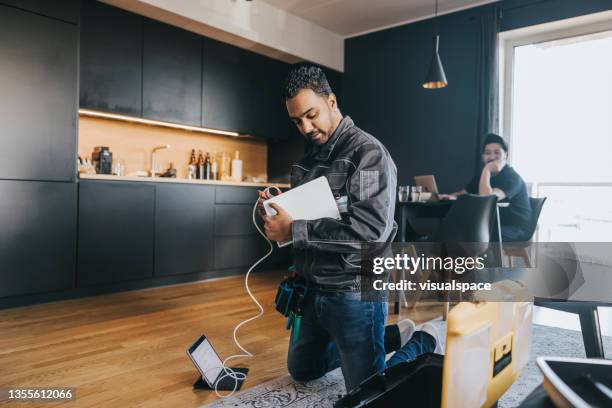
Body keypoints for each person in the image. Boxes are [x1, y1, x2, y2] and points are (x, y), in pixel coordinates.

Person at [257, 65, 443, 393]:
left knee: (368, 395)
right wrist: (280, 214)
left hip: (355, 289)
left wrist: (294, 229)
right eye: (297, 121)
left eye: (311, 114)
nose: (306, 127)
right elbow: (308, 221)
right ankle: (386, 337)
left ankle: (422, 342)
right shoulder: (307, 161)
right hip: (313, 288)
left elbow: (368, 231)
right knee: (302, 369)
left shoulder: (368, 155)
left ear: (331, 101)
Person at [439, 133, 533, 241]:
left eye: (497, 153)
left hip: (516, 227)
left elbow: (486, 199)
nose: (492, 157)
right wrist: (450, 196)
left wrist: (487, 168)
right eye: (487, 153)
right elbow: (464, 193)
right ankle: (435, 252)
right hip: (493, 224)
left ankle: (474, 257)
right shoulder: (483, 176)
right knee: (453, 229)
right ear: (483, 157)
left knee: (474, 235)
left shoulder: (512, 178)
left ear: (506, 155)